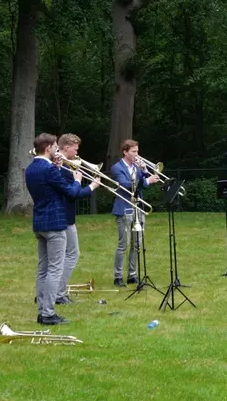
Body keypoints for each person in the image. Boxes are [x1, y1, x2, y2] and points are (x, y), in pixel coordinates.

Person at [25, 133, 89, 325]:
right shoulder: (49, 170)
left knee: (43, 268)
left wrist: (58, 168)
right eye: (54, 147)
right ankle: (48, 313)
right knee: (55, 269)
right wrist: (77, 179)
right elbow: (71, 192)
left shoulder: (31, 169)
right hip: (55, 224)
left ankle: (41, 310)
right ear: (48, 148)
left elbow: (48, 189)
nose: (56, 150)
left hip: (40, 223)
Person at [55, 133, 101, 304]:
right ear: (66, 147)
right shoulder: (62, 168)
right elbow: (73, 194)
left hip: (63, 217)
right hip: (65, 218)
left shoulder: (64, 166)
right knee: (72, 255)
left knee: (58, 259)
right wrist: (92, 186)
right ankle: (59, 293)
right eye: (75, 148)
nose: (77, 151)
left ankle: (52, 293)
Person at [111, 139, 159, 286]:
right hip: (124, 208)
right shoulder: (117, 168)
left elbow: (144, 183)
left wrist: (145, 171)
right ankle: (118, 276)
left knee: (136, 244)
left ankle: (132, 274)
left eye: (137, 151)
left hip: (138, 208)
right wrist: (146, 181)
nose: (137, 155)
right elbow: (126, 185)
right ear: (125, 152)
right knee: (123, 244)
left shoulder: (137, 167)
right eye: (133, 152)